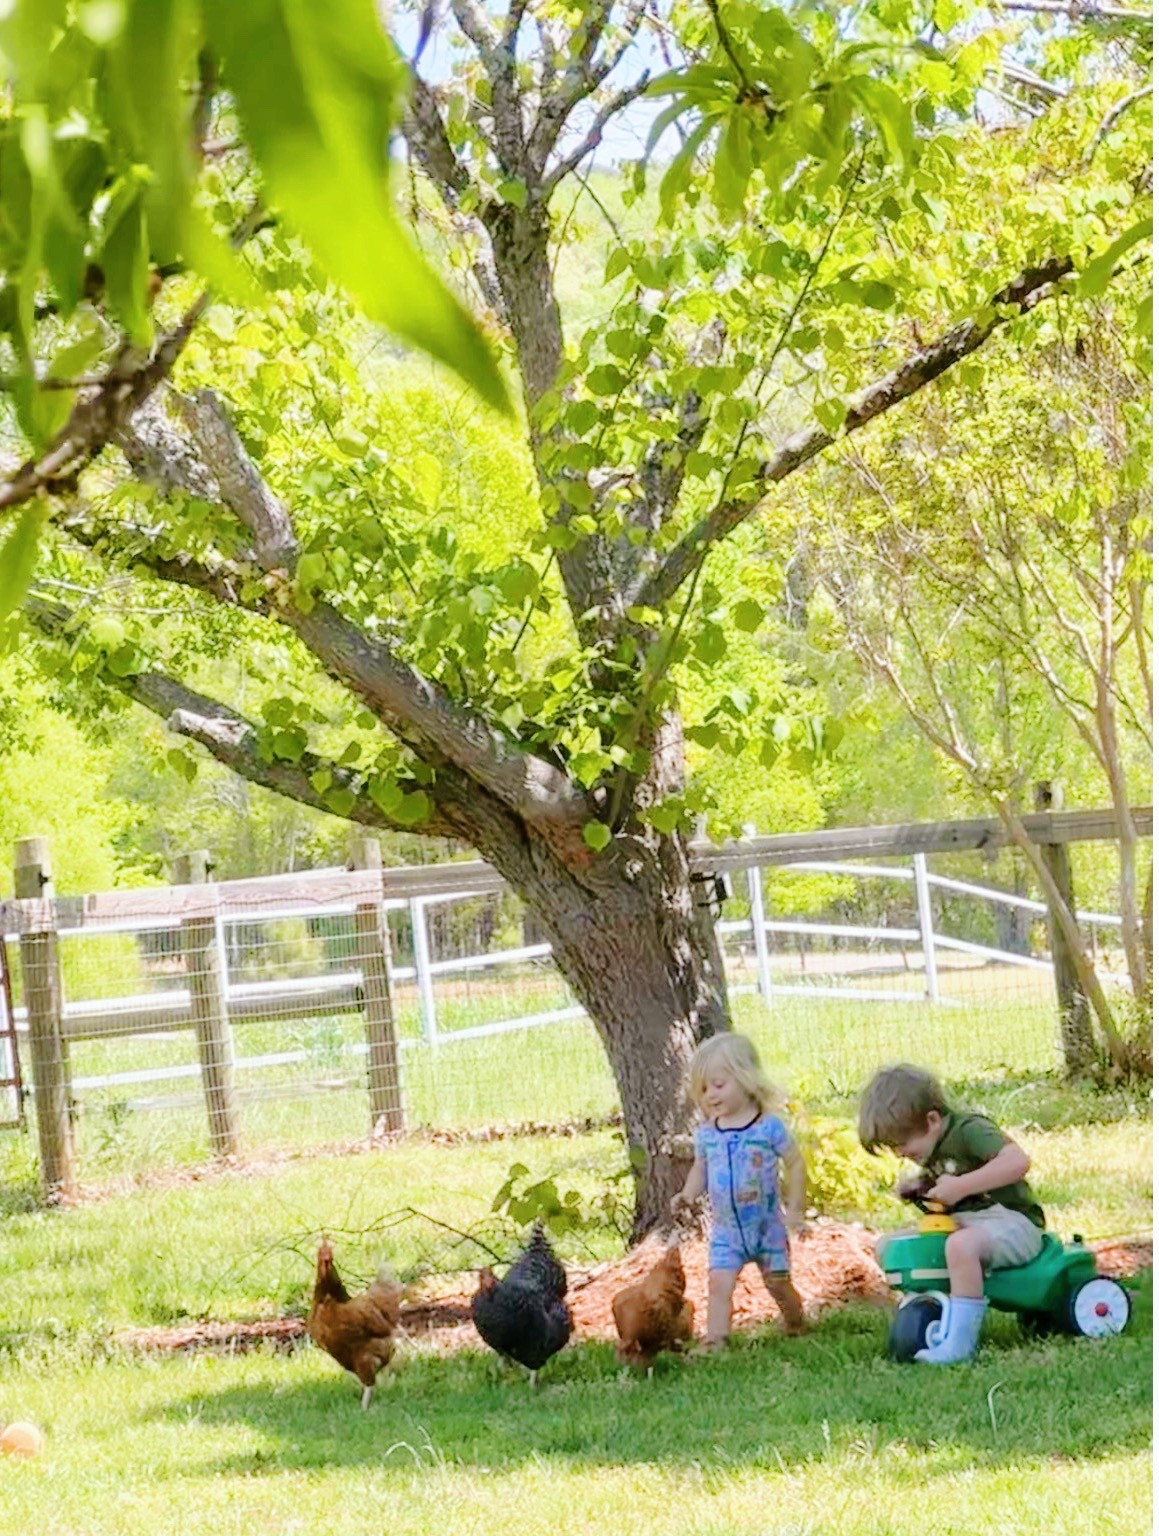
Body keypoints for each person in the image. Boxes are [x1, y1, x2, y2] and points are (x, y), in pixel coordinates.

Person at [858, 1063, 1045, 1365]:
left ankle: (959, 1345)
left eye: (902, 1144)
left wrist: (961, 1186)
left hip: (1014, 1222)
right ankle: (923, 1314)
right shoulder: (932, 1146)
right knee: (891, 1245)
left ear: (932, 1120)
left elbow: (1017, 1162)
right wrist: (922, 1187)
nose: (899, 1153)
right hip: (968, 1224)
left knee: (960, 1246)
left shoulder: (969, 1130)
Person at [671, 1033, 806, 1349]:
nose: (710, 1095)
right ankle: (716, 1340)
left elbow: (795, 1162)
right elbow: (700, 1169)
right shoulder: (707, 1135)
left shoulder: (768, 1128)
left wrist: (796, 1208)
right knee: (718, 1284)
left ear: (746, 1079)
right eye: (703, 1089)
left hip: (767, 1227)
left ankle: (795, 1323)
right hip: (727, 1231)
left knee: (778, 1283)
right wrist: (688, 1194)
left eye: (718, 1085)